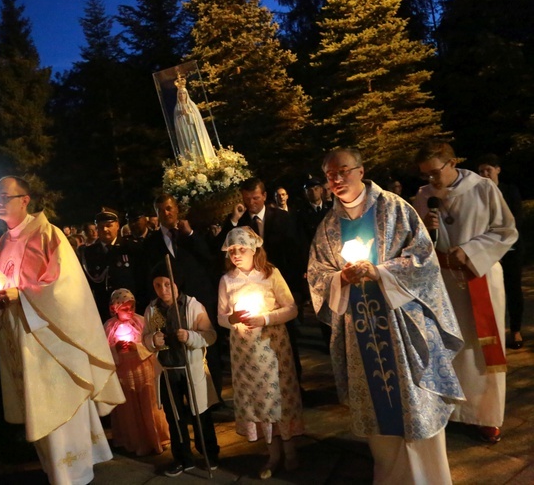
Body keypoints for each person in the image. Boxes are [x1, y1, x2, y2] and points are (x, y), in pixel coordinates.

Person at [309, 148, 466, 484]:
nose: (335, 180)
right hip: (360, 329)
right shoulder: (328, 226)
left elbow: (423, 257)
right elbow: (316, 274)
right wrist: (340, 279)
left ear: (361, 171)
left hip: (401, 327)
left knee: (415, 404)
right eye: (328, 175)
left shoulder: (394, 208)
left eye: (341, 171)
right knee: (380, 414)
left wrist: (380, 272)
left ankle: (430, 478)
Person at [0, 176, 124, 485]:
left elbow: (64, 288)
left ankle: (74, 476)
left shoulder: (49, 235)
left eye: (4, 196)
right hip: (21, 342)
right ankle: (57, 474)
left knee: (61, 420)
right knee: (40, 422)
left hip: (52, 345)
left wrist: (20, 296)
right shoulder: (4, 242)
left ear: (25, 199)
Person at [414, 142, 518, 443]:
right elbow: (417, 244)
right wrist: (425, 227)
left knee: (481, 350)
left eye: (436, 172)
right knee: (451, 349)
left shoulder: (482, 188)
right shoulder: (423, 197)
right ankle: (455, 412)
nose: (432, 180)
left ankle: (487, 416)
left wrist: (471, 250)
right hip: (443, 282)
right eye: (425, 175)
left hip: (479, 275)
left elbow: (507, 230)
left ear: (452, 163)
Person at [219, 227, 303, 479]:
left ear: (254, 250)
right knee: (259, 401)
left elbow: (291, 308)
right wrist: (232, 318)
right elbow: (221, 317)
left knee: (279, 397)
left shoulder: (270, 274)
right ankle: (272, 453)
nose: (236, 254)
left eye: (241, 249)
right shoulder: (227, 280)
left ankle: (290, 452)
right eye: (232, 250)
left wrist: (265, 318)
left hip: (272, 347)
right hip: (245, 353)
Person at [221, 178, 306, 382]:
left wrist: (297, 287)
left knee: (289, 339)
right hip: (249, 286)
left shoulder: (283, 218)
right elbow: (223, 246)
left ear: (265, 196)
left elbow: (297, 250)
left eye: (256, 198)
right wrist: (234, 220)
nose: (252, 202)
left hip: (281, 283)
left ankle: (293, 382)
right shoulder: (238, 222)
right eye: (247, 198)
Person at [142, 261, 220, 477]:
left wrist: (191, 337)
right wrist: (153, 340)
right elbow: (145, 338)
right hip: (168, 372)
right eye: (158, 285)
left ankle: (208, 453)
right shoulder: (152, 310)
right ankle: (182, 458)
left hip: (190, 369)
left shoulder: (192, 306)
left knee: (199, 413)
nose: (163, 290)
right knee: (174, 416)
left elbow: (210, 335)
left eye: (168, 284)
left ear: (177, 284)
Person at [144, 194, 224, 402]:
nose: (166, 213)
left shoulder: (192, 234)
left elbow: (209, 260)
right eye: (161, 210)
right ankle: (182, 398)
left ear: (177, 209)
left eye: (169, 208)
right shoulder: (151, 243)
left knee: (206, 348)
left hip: (198, 299)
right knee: (176, 346)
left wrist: (190, 236)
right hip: (169, 303)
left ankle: (212, 396)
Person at [103, 289, 170, 456]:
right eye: (125, 308)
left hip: (143, 368)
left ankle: (156, 437)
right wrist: (115, 349)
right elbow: (103, 350)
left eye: (132, 307)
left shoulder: (141, 321)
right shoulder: (109, 326)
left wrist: (137, 347)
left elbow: (152, 343)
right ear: (115, 308)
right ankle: (134, 440)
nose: (130, 311)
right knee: (128, 407)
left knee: (149, 403)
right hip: (123, 372)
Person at [477, 154, 525, 349]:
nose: (484, 174)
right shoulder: (478, 194)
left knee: (513, 289)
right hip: (488, 250)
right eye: (481, 171)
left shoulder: (509, 191)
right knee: (491, 290)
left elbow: (514, 220)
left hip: (511, 248)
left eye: (488, 169)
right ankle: (494, 332)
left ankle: (515, 330)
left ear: (497, 169)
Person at [80, 207, 145, 321]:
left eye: (109, 225)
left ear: (117, 226)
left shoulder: (131, 248)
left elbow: (141, 280)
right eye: (101, 226)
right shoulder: (89, 253)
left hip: (130, 312)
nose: (105, 229)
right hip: (102, 313)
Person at [173, 73, 216, 164]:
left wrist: (188, 114)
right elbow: (177, 123)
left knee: (198, 145)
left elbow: (197, 119)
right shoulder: (177, 108)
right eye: (180, 94)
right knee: (189, 148)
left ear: (186, 94)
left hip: (194, 130)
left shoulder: (191, 105)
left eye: (183, 93)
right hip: (185, 131)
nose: (182, 95)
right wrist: (181, 116)